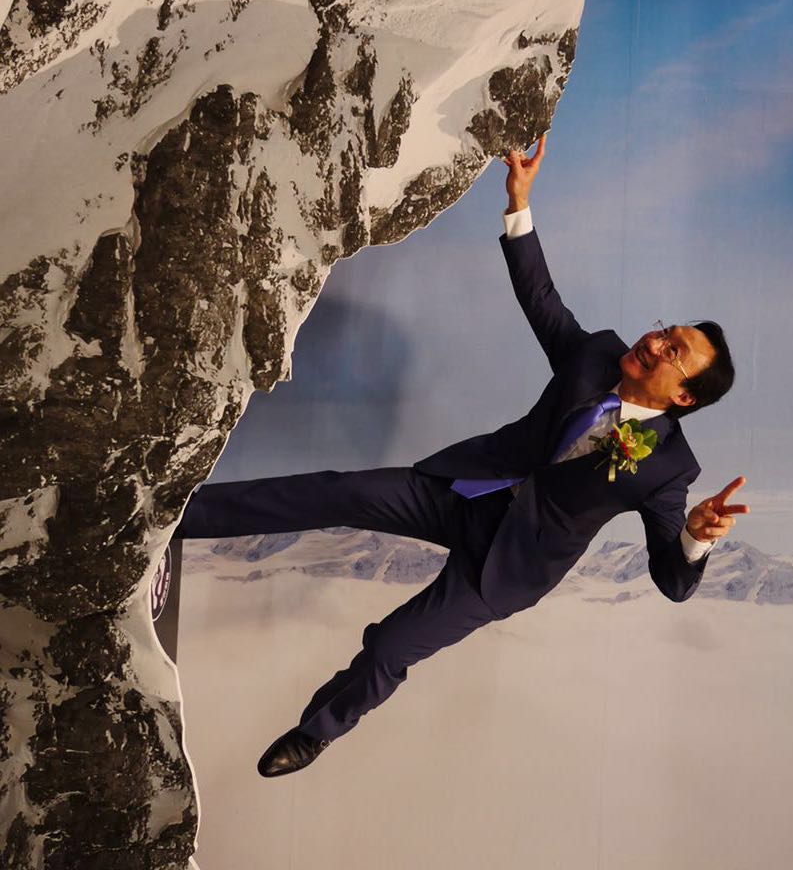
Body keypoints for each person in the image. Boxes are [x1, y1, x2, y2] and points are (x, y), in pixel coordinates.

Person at [176, 134, 748, 776]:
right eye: (666, 332)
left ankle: (316, 732)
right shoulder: (593, 356)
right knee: (332, 491)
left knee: (391, 646)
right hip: (464, 488)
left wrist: (696, 538)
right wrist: (519, 203)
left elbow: (673, 582)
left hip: (509, 563)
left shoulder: (669, 468)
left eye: (674, 352)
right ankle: (178, 518)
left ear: (684, 397)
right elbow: (542, 300)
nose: (656, 342)